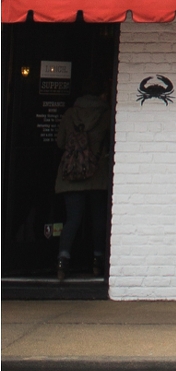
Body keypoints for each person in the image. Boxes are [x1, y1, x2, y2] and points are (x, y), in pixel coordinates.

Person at [54, 89, 111, 282]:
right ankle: (98, 261)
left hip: (71, 174)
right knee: (98, 219)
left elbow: (60, 142)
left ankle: (63, 260)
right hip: (97, 173)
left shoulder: (70, 114)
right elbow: (113, 143)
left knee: (73, 219)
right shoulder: (105, 115)